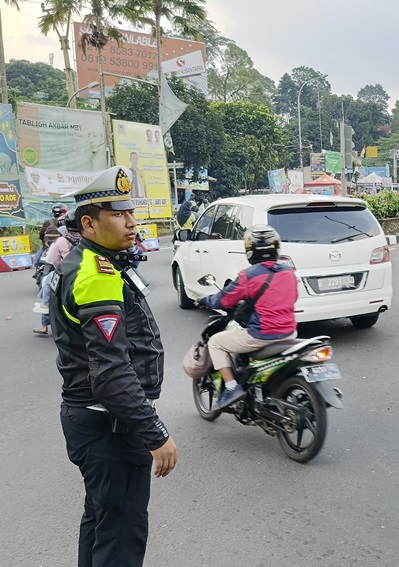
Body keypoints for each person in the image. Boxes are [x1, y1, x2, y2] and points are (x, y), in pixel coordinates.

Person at [51, 166, 178, 567]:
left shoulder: (86, 261)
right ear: (88, 223)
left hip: (91, 421)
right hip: (110, 427)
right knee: (121, 537)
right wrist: (155, 433)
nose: (131, 222)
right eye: (118, 214)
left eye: (130, 212)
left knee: (102, 521)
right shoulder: (96, 274)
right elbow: (110, 372)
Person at [198, 225, 298, 409]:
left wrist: (206, 300)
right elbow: (292, 298)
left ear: (250, 250)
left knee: (215, 343)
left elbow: (224, 300)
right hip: (290, 332)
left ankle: (231, 387)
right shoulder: (288, 272)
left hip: (262, 335)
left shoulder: (248, 276)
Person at [33, 208, 81, 336]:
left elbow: (54, 261)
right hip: (86, 271)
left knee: (47, 281)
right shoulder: (90, 238)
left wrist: (62, 269)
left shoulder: (61, 240)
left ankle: (44, 314)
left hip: (67, 273)